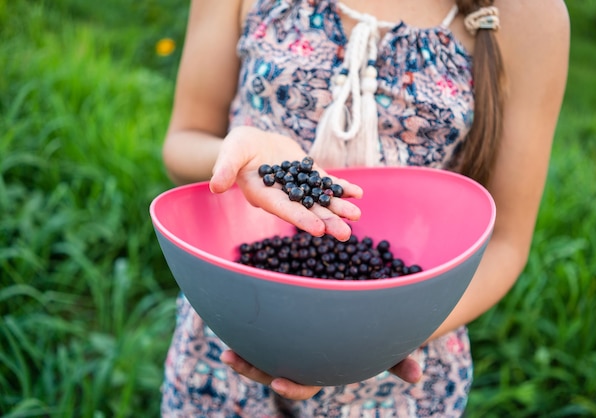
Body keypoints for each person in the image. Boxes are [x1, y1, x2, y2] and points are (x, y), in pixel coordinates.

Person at [159, 0, 570, 416]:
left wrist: (379, 336)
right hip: (236, 322)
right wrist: (241, 157)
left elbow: (506, 242)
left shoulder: (532, 15)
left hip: (399, 359)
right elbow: (183, 140)